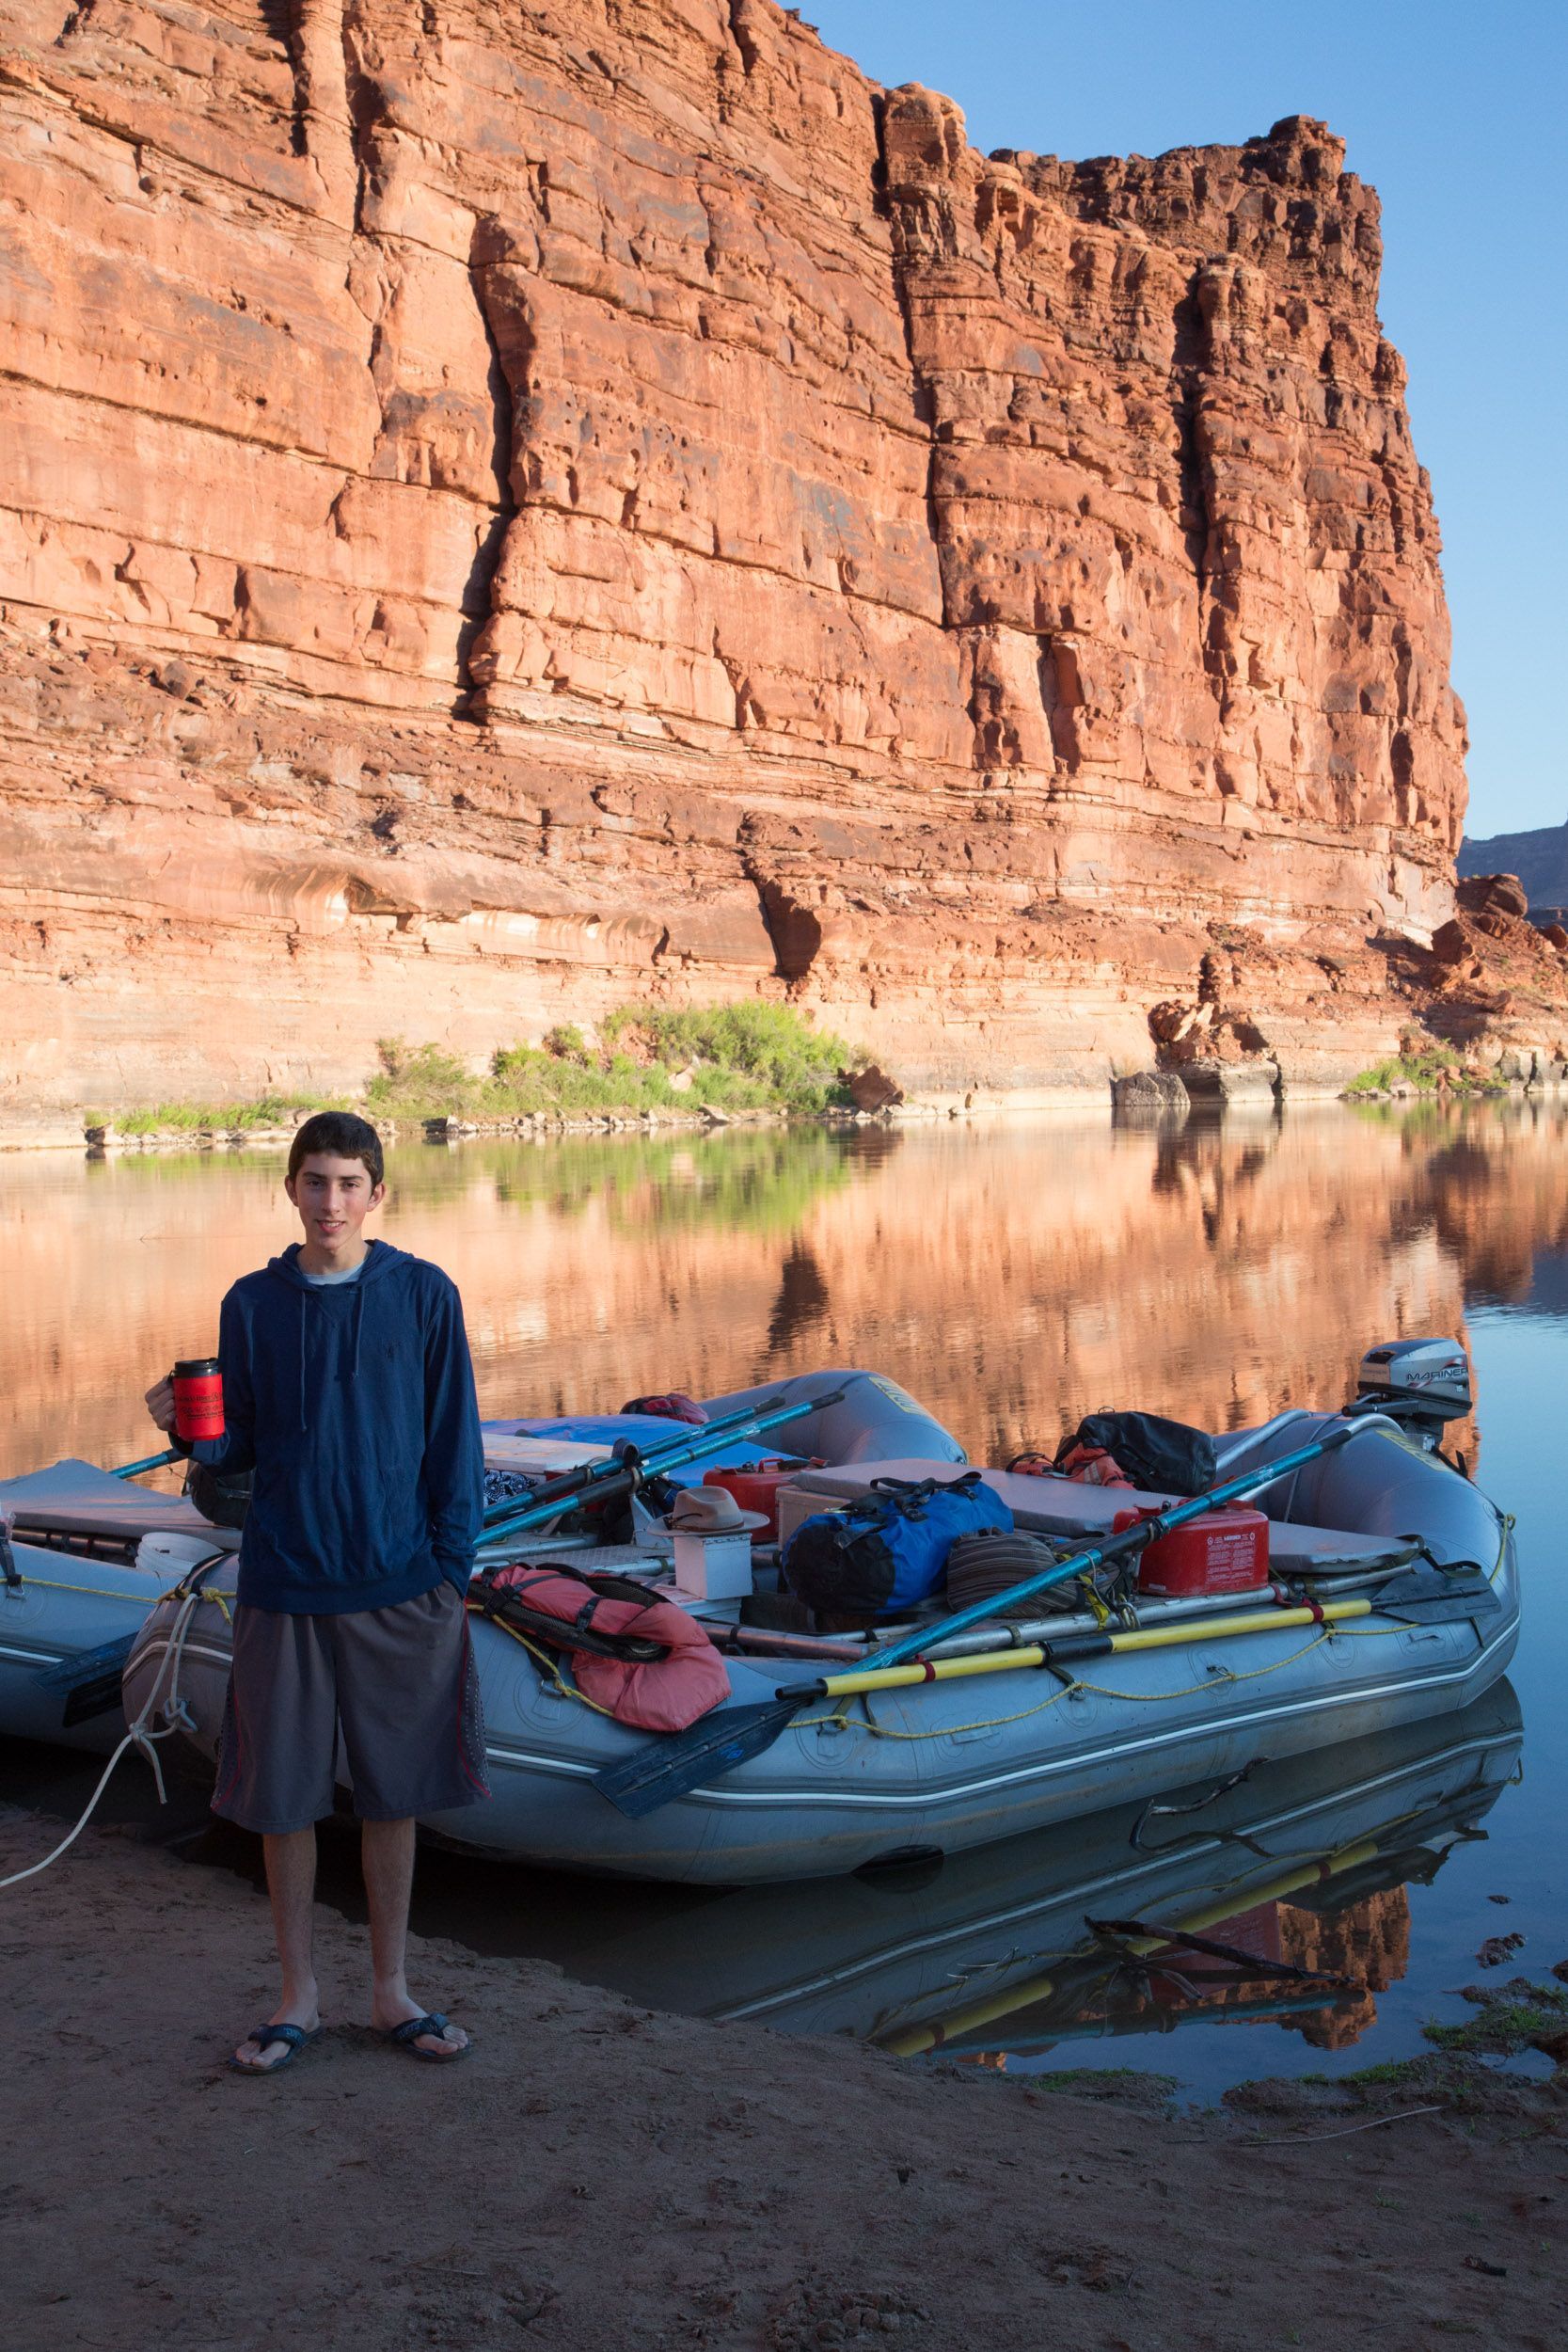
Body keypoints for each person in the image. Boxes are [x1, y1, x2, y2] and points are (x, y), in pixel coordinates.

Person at [145, 1110, 488, 2074]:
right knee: (284, 1795)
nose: (329, 1200)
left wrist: (448, 1573)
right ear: (289, 1189)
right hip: (285, 1582)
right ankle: (297, 1994)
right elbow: (235, 1459)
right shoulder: (251, 1303)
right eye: (313, 1181)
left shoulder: (423, 1294)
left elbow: (453, 1440)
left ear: (377, 1192)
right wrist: (188, 1433)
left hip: (399, 1585)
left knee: (394, 1793)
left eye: (348, 1182)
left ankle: (391, 1991)